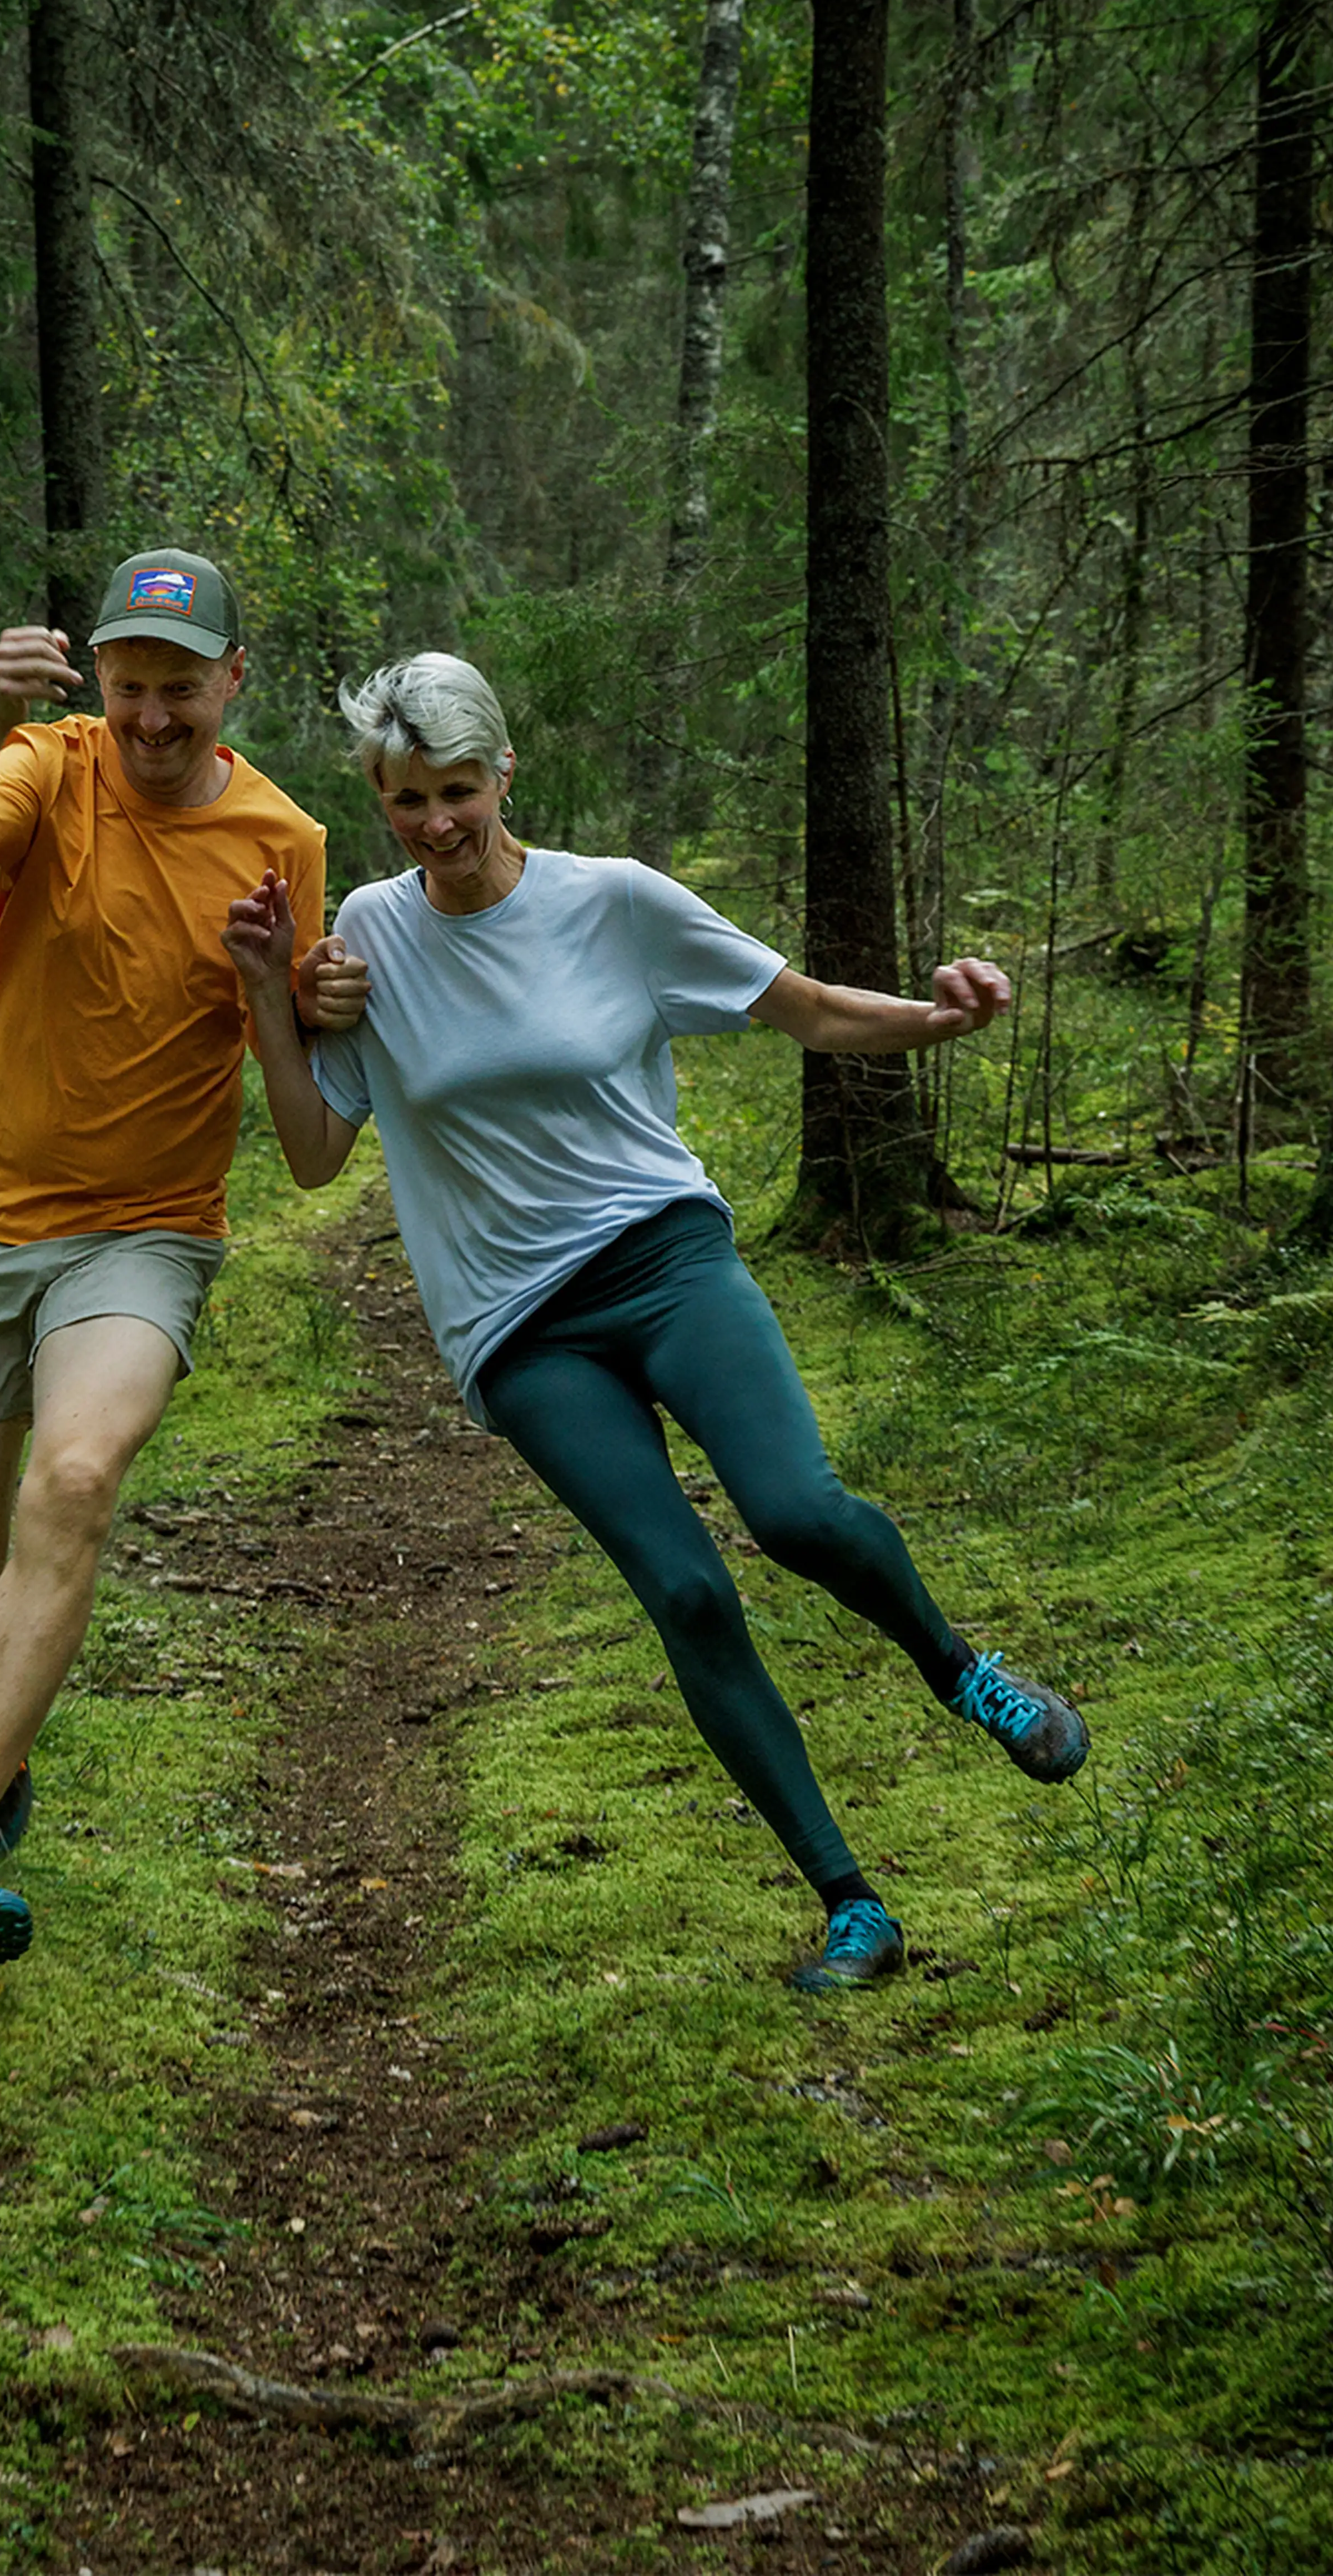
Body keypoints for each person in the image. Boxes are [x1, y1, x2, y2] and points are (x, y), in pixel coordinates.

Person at [222, 652, 1088, 1994]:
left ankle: (964, 1673)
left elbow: (799, 1008)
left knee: (795, 1512)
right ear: (379, 799)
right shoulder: (368, 940)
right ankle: (851, 1903)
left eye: (459, 789)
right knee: (686, 1589)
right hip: (518, 1332)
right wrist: (268, 998)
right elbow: (316, 1154)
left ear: (506, 774)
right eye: (408, 801)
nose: (438, 823)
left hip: (666, 1259)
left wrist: (936, 1019)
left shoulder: (613, 904)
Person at [0, 549, 363, 1979]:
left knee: (75, 1481)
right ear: (103, 684)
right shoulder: (43, 764)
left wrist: (297, 987)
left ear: (233, 685)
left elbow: (307, 1078)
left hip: (145, 1228)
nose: (152, 720)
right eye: (131, 688)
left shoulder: (285, 837)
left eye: (181, 692)